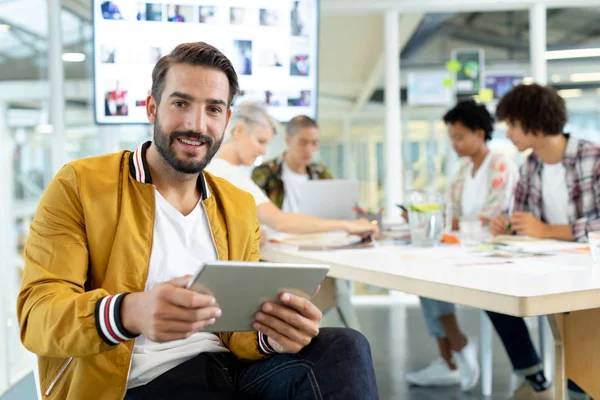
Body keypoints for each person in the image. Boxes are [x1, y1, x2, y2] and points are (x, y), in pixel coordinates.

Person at [17, 42, 378, 400]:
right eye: (181, 103)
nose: (196, 123)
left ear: (226, 120)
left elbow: (236, 329)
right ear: (152, 108)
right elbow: (37, 316)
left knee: (346, 346)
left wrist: (273, 333)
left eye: (213, 109)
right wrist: (128, 312)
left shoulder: (236, 205)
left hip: (232, 371)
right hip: (139, 383)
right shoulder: (80, 185)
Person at [488, 84, 599, 400]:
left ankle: (581, 387)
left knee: (579, 316)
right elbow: (524, 219)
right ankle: (533, 375)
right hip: (549, 263)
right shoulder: (531, 166)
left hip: (589, 269)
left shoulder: (593, 157)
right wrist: (508, 224)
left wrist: (544, 230)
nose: (508, 133)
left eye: (512, 124)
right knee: (494, 291)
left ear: (534, 122)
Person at [406, 100, 518, 391]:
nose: (454, 144)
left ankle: (456, 349)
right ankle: (451, 356)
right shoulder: (460, 170)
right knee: (424, 274)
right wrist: (425, 215)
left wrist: (452, 221)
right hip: (462, 247)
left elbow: (495, 215)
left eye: (459, 137)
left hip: (493, 251)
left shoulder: (501, 164)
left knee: (431, 276)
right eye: (451, 138)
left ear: (479, 134)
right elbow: (449, 212)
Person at [206, 101, 379, 238]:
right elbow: (280, 222)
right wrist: (347, 225)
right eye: (260, 141)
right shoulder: (227, 174)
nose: (264, 151)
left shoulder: (216, 168)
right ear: (239, 131)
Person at [251, 115, 329, 212]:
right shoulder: (265, 172)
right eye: (303, 142)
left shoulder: (321, 174)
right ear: (288, 140)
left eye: (314, 143)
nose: (309, 149)